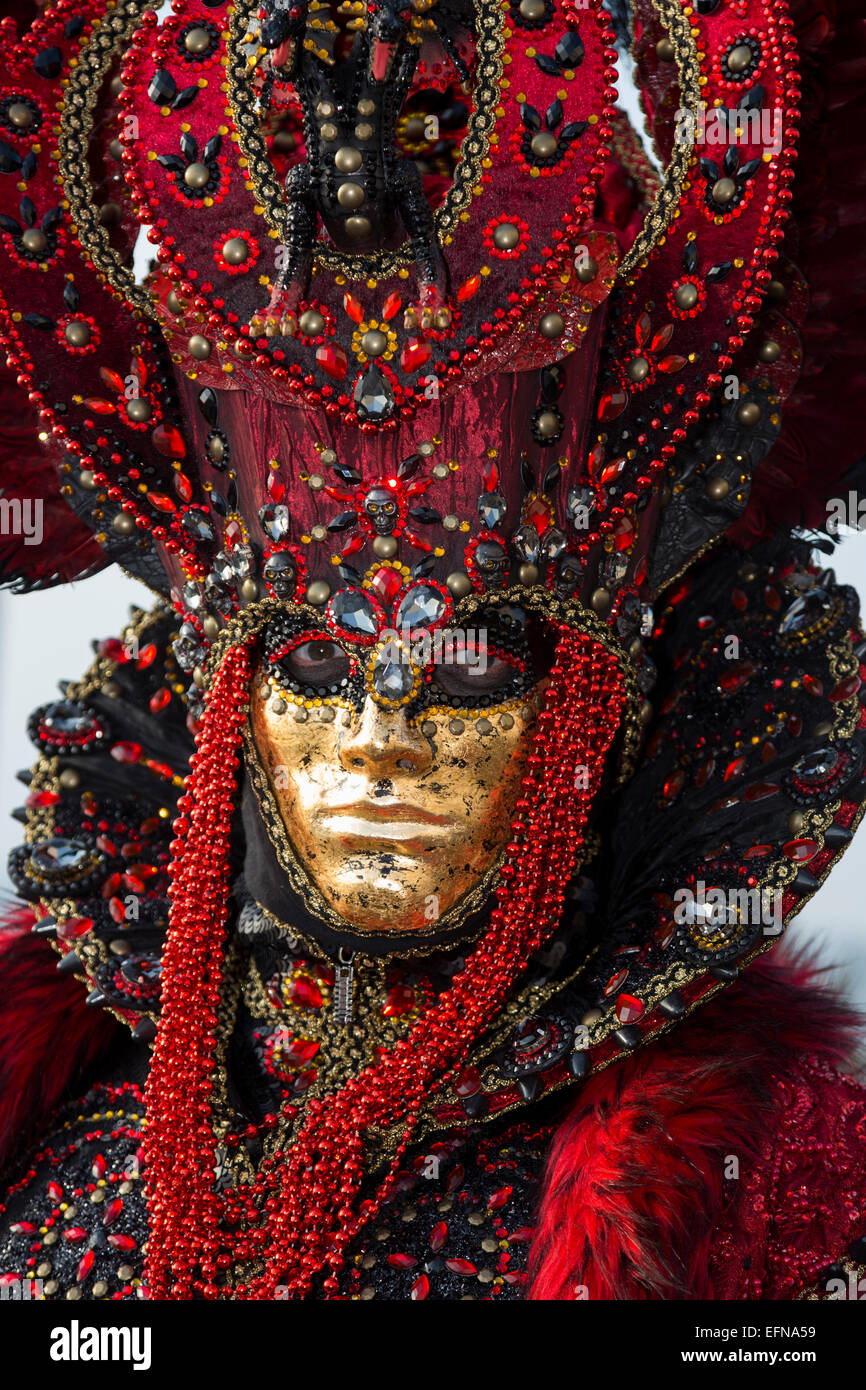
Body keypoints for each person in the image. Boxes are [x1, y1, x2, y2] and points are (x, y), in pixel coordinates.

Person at [0, 0, 864, 1301]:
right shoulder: (51, 1128)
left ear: (595, 711)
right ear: (226, 702)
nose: (377, 738)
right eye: (315, 672)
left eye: (457, 677)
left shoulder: (756, 1190)